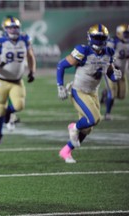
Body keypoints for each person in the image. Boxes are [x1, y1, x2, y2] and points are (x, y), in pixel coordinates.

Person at [57, 24, 122, 163]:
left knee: (88, 128)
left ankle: (66, 151)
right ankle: (73, 127)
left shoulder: (109, 52)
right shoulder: (83, 51)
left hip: (93, 92)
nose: (99, 41)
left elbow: (109, 72)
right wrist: (60, 86)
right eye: (96, 37)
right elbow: (62, 65)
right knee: (94, 119)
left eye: (101, 38)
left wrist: (115, 76)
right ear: (90, 38)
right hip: (79, 91)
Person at [0, 16, 36, 144]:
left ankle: (9, 113)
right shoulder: (0, 40)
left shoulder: (25, 39)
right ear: (5, 28)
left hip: (17, 80)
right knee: (0, 108)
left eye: (15, 27)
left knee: (19, 106)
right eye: (10, 28)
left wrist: (32, 71)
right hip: (2, 80)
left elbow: (30, 56)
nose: (13, 30)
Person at [100, 24, 129, 120]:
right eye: (125, 33)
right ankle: (107, 114)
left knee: (121, 96)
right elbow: (105, 55)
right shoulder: (113, 42)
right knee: (112, 93)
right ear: (119, 33)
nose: (127, 35)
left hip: (122, 71)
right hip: (111, 70)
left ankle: (104, 94)